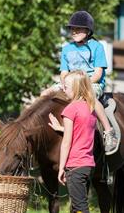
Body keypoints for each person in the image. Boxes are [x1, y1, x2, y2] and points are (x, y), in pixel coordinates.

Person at [42, 11, 118, 155]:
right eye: (72, 28)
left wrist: (81, 84)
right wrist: (64, 83)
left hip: (91, 84)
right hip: (70, 83)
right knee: (44, 94)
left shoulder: (97, 47)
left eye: (78, 28)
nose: (74, 31)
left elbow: (98, 74)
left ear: (88, 30)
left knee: (92, 99)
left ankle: (108, 132)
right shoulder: (66, 48)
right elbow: (64, 72)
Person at [48, 70, 98, 213]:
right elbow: (81, 132)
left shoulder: (70, 109)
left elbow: (67, 142)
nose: (63, 89)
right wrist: (61, 127)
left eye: (66, 86)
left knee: (79, 207)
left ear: (76, 88)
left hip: (75, 164)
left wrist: (61, 167)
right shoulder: (89, 107)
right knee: (82, 204)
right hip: (88, 164)